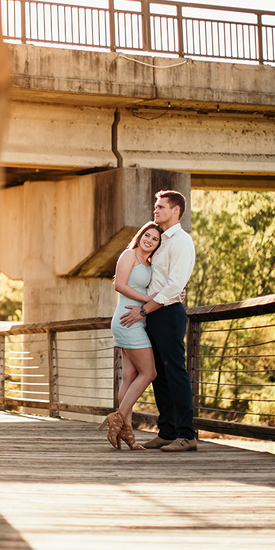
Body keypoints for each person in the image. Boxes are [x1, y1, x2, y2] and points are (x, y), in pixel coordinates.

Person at [119, 189, 197, 452]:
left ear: (175, 210)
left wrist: (143, 310)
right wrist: (147, 309)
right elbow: (157, 279)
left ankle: (187, 435)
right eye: (155, 207)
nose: (156, 210)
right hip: (153, 312)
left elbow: (175, 285)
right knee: (159, 374)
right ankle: (167, 431)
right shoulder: (162, 240)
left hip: (168, 313)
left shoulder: (181, 242)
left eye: (161, 207)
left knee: (175, 371)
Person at [99, 221, 163, 450]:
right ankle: (118, 419)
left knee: (130, 375)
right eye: (147, 235)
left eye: (155, 239)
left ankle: (128, 435)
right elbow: (119, 285)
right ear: (140, 235)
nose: (149, 240)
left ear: (158, 244)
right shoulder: (130, 254)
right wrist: (149, 300)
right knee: (149, 372)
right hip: (127, 320)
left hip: (137, 320)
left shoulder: (149, 262)